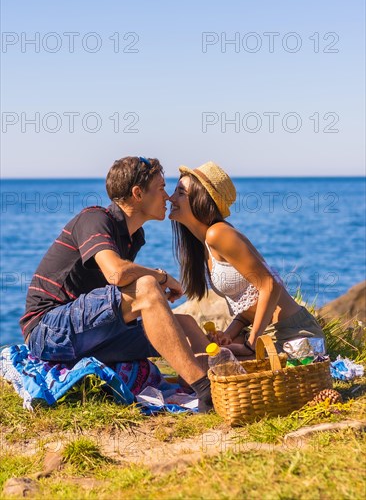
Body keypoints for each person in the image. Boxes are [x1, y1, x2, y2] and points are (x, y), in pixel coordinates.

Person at [20, 157, 212, 412]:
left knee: (184, 322)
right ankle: (205, 391)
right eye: (161, 187)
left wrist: (153, 296)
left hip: (87, 331)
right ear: (137, 193)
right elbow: (116, 275)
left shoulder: (134, 237)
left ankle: (213, 383)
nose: (167, 197)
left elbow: (113, 295)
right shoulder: (95, 219)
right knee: (146, 286)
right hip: (47, 330)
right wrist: (161, 277)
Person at [169, 161, 325, 357]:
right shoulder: (205, 245)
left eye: (180, 193)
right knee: (201, 361)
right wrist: (229, 334)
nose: (170, 197)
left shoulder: (218, 234)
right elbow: (250, 302)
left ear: (200, 200)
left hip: (293, 335)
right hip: (267, 333)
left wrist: (250, 345)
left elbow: (270, 285)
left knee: (206, 366)